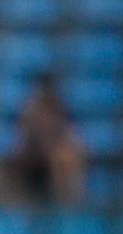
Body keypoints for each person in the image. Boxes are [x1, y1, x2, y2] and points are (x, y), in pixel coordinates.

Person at [11, 73, 86, 205]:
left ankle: (68, 202)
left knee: (65, 158)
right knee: (18, 158)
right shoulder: (29, 110)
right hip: (33, 152)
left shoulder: (62, 109)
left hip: (55, 152)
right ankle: (20, 203)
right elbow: (23, 135)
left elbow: (71, 135)